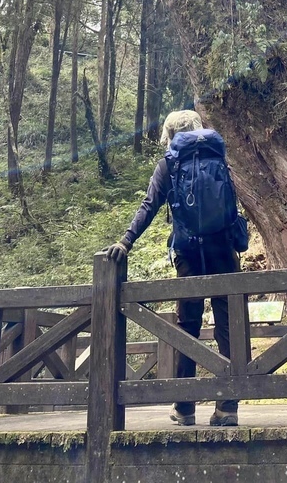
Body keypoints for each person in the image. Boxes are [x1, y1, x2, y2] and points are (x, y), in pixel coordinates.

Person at [106, 109, 242, 427]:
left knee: (188, 328)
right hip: (224, 250)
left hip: (189, 253)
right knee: (227, 325)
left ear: (169, 134)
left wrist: (125, 242)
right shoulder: (218, 156)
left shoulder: (170, 163)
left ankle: (185, 407)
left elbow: (149, 205)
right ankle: (228, 406)